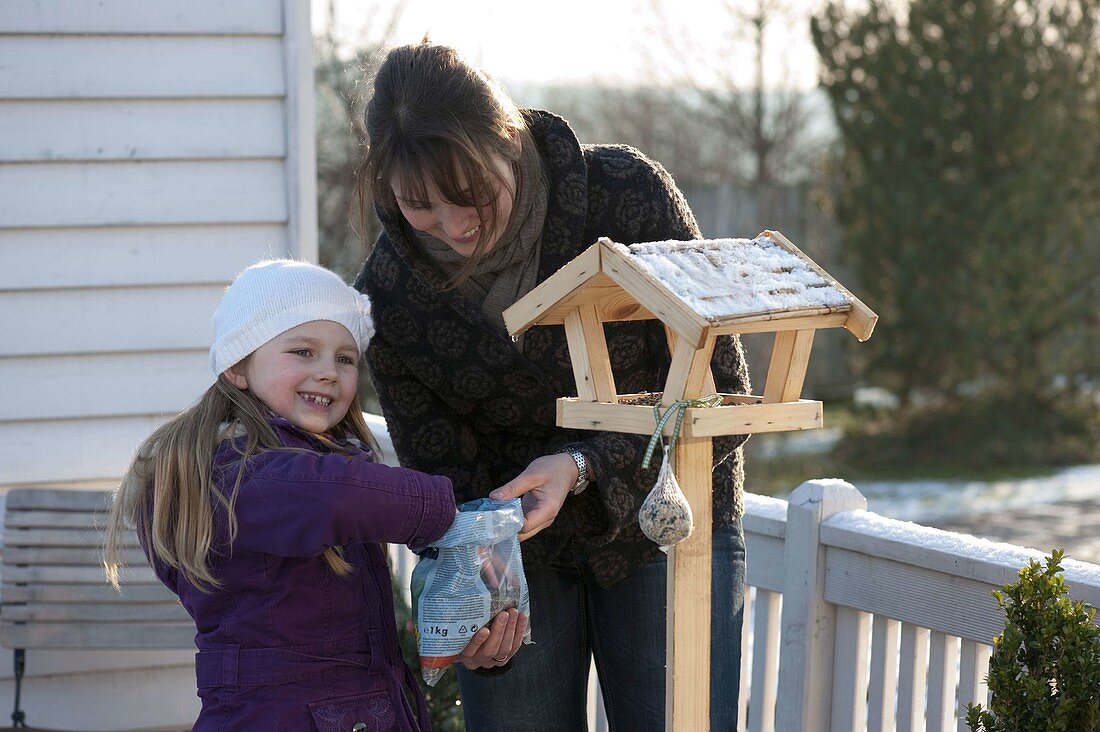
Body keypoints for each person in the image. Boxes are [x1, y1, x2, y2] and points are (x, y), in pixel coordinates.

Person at [355, 41, 751, 731]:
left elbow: (725, 391)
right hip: (514, 563)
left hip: (667, 524)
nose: (453, 228)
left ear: (504, 136)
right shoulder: (390, 297)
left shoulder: (625, 196)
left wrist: (582, 465)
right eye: (421, 205)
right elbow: (441, 478)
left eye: (471, 195)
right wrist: (463, 598)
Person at [104, 259, 527, 731]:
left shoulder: (319, 463)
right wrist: (444, 512)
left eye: (344, 358)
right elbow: (333, 497)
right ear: (239, 366)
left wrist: (460, 626)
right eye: (303, 351)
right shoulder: (232, 471)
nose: (328, 372)